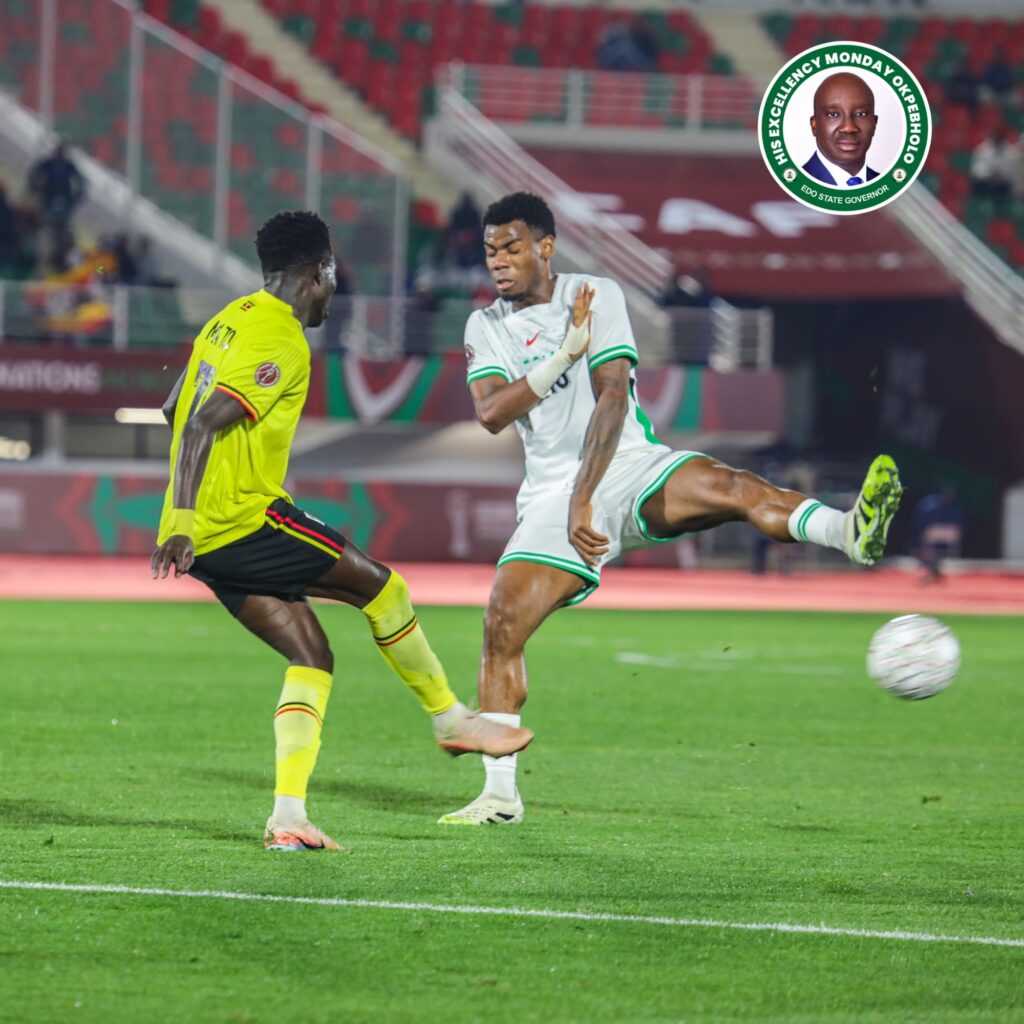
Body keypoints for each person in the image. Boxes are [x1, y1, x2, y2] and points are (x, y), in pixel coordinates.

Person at [439, 191, 903, 826]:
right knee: (502, 620)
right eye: (491, 250)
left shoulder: (594, 294)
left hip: (629, 464)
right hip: (550, 493)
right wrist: (564, 355)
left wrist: (586, 495)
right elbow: (492, 413)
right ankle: (500, 796)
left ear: (546, 247)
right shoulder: (485, 325)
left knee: (733, 486)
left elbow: (612, 399)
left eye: (512, 247)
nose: (497, 260)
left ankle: (849, 532)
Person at [151, 210, 531, 851]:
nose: (334, 292)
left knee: (312, 655)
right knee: (384, 589)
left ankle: (289, 818)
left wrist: (190, 513)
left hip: (205, 537)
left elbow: (172, 406)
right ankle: (450, 719)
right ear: (319, 272)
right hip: (241, 521)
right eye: (333, 278)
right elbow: (197, 423)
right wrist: (198, 516)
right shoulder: (280, 337)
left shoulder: (227, 318)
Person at [802, 73, 880, 187]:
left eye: (861, 114)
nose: (849, 128)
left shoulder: (889, 185)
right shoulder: (796, 183)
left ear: (874, 123)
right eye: (833, 114)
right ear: (814, 125)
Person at [27, 141, 86, 237]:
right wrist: (35, 187)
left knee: (61, 228)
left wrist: (75, 198)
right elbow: (34, 174)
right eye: (59, 151)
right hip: (48, 198)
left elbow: (80, 183)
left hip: (64, 201)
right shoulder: (49, 164)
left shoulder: (69, 167)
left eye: (61, 152)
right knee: (43, 222)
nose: (60, 154)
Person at [912, 484, 963, 584]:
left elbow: (958, 525)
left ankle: (934, 572)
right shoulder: (930, 504)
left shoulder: (952, 507)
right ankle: (934, 572)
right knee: (923, 552)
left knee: (932, 552)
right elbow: (921, 521)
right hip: (932, 533)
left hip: (943, 533)